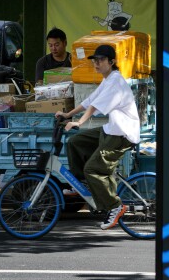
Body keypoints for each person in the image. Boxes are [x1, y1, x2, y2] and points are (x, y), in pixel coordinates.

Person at [55, 44, 140, 230]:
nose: (97, 63)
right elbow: (89, 101)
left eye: (101, 60)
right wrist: (68, 115)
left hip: (123, 134)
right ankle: (80, 184)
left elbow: (95, 108)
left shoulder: (116, 81)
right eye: (95, 60)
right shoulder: (107, 79)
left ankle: (115, 206)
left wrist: (79, 122)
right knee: (75, 142)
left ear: (112, 62)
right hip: (112, 129)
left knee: (92, 169)